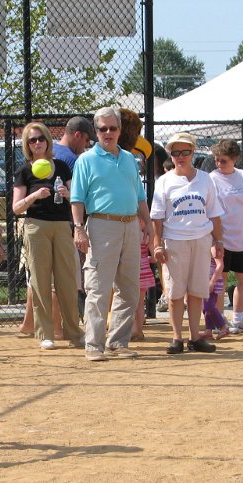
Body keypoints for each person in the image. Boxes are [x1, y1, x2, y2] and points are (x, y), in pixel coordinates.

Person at [71, 107, 152, 362]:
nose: (108, 133)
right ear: (95, 132)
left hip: (130, 226)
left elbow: (139, 195)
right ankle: (94, 345)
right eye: (102, 129)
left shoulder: (129, 158)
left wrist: (147, 223)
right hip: (101, 225)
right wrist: (78, 228)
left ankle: (118, 341)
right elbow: (77, 198)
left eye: (112, 128)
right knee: (98, 288)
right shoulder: (86, 160)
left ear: (119, 130)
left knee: (130, 289)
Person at [150, 131, 225, 354]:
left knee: (196, 290)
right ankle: (177, 337)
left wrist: (218, 240)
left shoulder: (205, 179)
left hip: (201, 239)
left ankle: (195, 337)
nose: (180, 157)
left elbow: (214, 212)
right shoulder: (165, 181)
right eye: (175, 153)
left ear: (193, 152)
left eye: (185, 152)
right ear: (170, 155)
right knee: (175, 291)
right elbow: (157, 216)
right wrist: (158, 244)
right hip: (175, 240)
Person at [12, 122, 83, 350]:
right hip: (36, 226)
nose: (37, 143)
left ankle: (73, 331)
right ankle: (45, 333)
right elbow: (16, 208)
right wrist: (35, 196)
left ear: (47, 140)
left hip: (62, 226)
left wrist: (66, 193)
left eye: (40, 138)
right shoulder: (24, 171)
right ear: (27, 144)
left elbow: (76, 199)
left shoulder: (61, 166)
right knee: (40, 281)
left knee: (67, 280)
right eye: (32, 140)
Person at [209, 139, 243, 334]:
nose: (219, 164)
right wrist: (215, 239)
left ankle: (238, 318)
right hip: (221, 238)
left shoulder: (242, 175)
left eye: (223, 160)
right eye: (217, 160)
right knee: (220, 281)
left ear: (234, 159)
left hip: (241, 237)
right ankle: (217, 320)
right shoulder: (212, 178)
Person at [132, 217, 156, 342]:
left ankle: (133, 329)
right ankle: (139, 330)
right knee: (140, 303)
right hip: (144, 273)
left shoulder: (130, 237)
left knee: (131, 302)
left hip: (133, 272)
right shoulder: (146, 237)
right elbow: (155, 256)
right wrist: (147, 259)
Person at [202, 253, 229, 340]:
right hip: (204, 280)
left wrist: (212, 282)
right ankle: (208, 331)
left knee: (209, 307)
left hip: (211, 282)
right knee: (205, 307)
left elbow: (220, 265)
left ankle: (223, 327)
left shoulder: (213, 246)